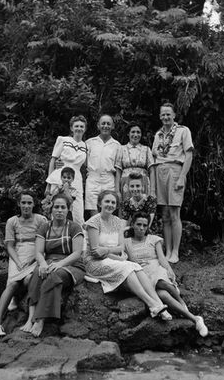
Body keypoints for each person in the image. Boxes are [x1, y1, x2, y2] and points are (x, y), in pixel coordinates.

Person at [84, 190, 172, 321]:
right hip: (95, 262)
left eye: (113, 202)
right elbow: (95, 252)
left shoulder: (118, 222)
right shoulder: (93, 222)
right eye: (107, 201)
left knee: (135, 266)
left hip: (112, 259)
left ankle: (158, 303)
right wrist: (113, 255)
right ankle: (152, 304)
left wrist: (108, 251)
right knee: (128, 267)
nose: (110, 204)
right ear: (99, 203)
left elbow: (120, 247)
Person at [125, 212, 208, 337]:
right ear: (132, 224)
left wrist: (169, 269)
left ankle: (181, 302)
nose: (141, 228)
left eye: (144, 225)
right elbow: (130, 261)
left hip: (156, 267)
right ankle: (196, 319)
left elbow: (162, 258)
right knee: (162, 295)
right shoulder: (126, 242)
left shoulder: (154, 239)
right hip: (142, 272)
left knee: (160, 281)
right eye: (138, 224)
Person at [23, 193, 85, 337]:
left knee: (53, 276)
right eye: (56, 207)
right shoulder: (44, 227)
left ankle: (40, 319)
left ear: (68, 210)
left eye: (63, 207)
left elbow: (77, 253)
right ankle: (30, 318)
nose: (59, 210)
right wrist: (43, 263)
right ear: (51, 209)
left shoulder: (75, 227)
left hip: (72, 265)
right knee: (39, 272)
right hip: (49, 261)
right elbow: (38, 252)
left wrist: (60, 264)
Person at [0, 191, 47, 337]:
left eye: (29, 203)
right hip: (18, 254)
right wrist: (18, 262)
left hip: (37, 254)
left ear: (34, 204)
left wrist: (35, 259)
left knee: (28, 280)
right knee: (13, 284)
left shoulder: (41, 219)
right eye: (23, 203)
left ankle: (18, 301)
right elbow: (9, 246)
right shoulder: (12, 221)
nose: (26, 206)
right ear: (19, 204)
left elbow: (45, 243)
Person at [152, 103, 194, 263]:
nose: (165, 117)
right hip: (160, 172)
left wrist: (182, 176)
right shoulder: (158, 135)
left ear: (174, 115)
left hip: (175, 171)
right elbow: (154, 156)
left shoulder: (183, 131)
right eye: (163, 114)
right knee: (164, 214)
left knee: (175, 213)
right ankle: (168, 250)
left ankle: (175, 251)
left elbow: (189, 155)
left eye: (168, 114)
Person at [45, 115, 87, 225]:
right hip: (60, 174)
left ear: (85, 129)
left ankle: (79, 238)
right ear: (72, 128)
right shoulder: (63, 140)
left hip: (76, 178)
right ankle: (55, 236)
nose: (79, 128)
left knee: (77, 210)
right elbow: (53, 160)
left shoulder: (85, 145)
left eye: (82, 126)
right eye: (76, 126)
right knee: (57, 206)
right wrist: (48, 184)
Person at [85, 115, 120, 217]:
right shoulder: (89, 143)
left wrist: (117, 189)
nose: (105, 126)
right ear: (98, 125)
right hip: (93, 178)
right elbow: (83, 162)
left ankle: (107, 232)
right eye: (103, 123)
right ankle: (96, 232)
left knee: (108, 209)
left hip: (109, 179)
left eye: (108, 124)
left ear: (112, 126)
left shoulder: (117, 145)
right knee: (93, 211)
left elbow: (118, 168)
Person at [115, 122, 156, 201]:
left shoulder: (146, 149)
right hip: (126, 183)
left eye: (138, 132)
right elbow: (118, 170)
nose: (135, 135)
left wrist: (152, 191)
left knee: (142, 207)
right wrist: (117, 190)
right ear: (128, 134)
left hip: (142, 183)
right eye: (133, 132)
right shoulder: (121, 149)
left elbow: (152, 171)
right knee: (126, 208)